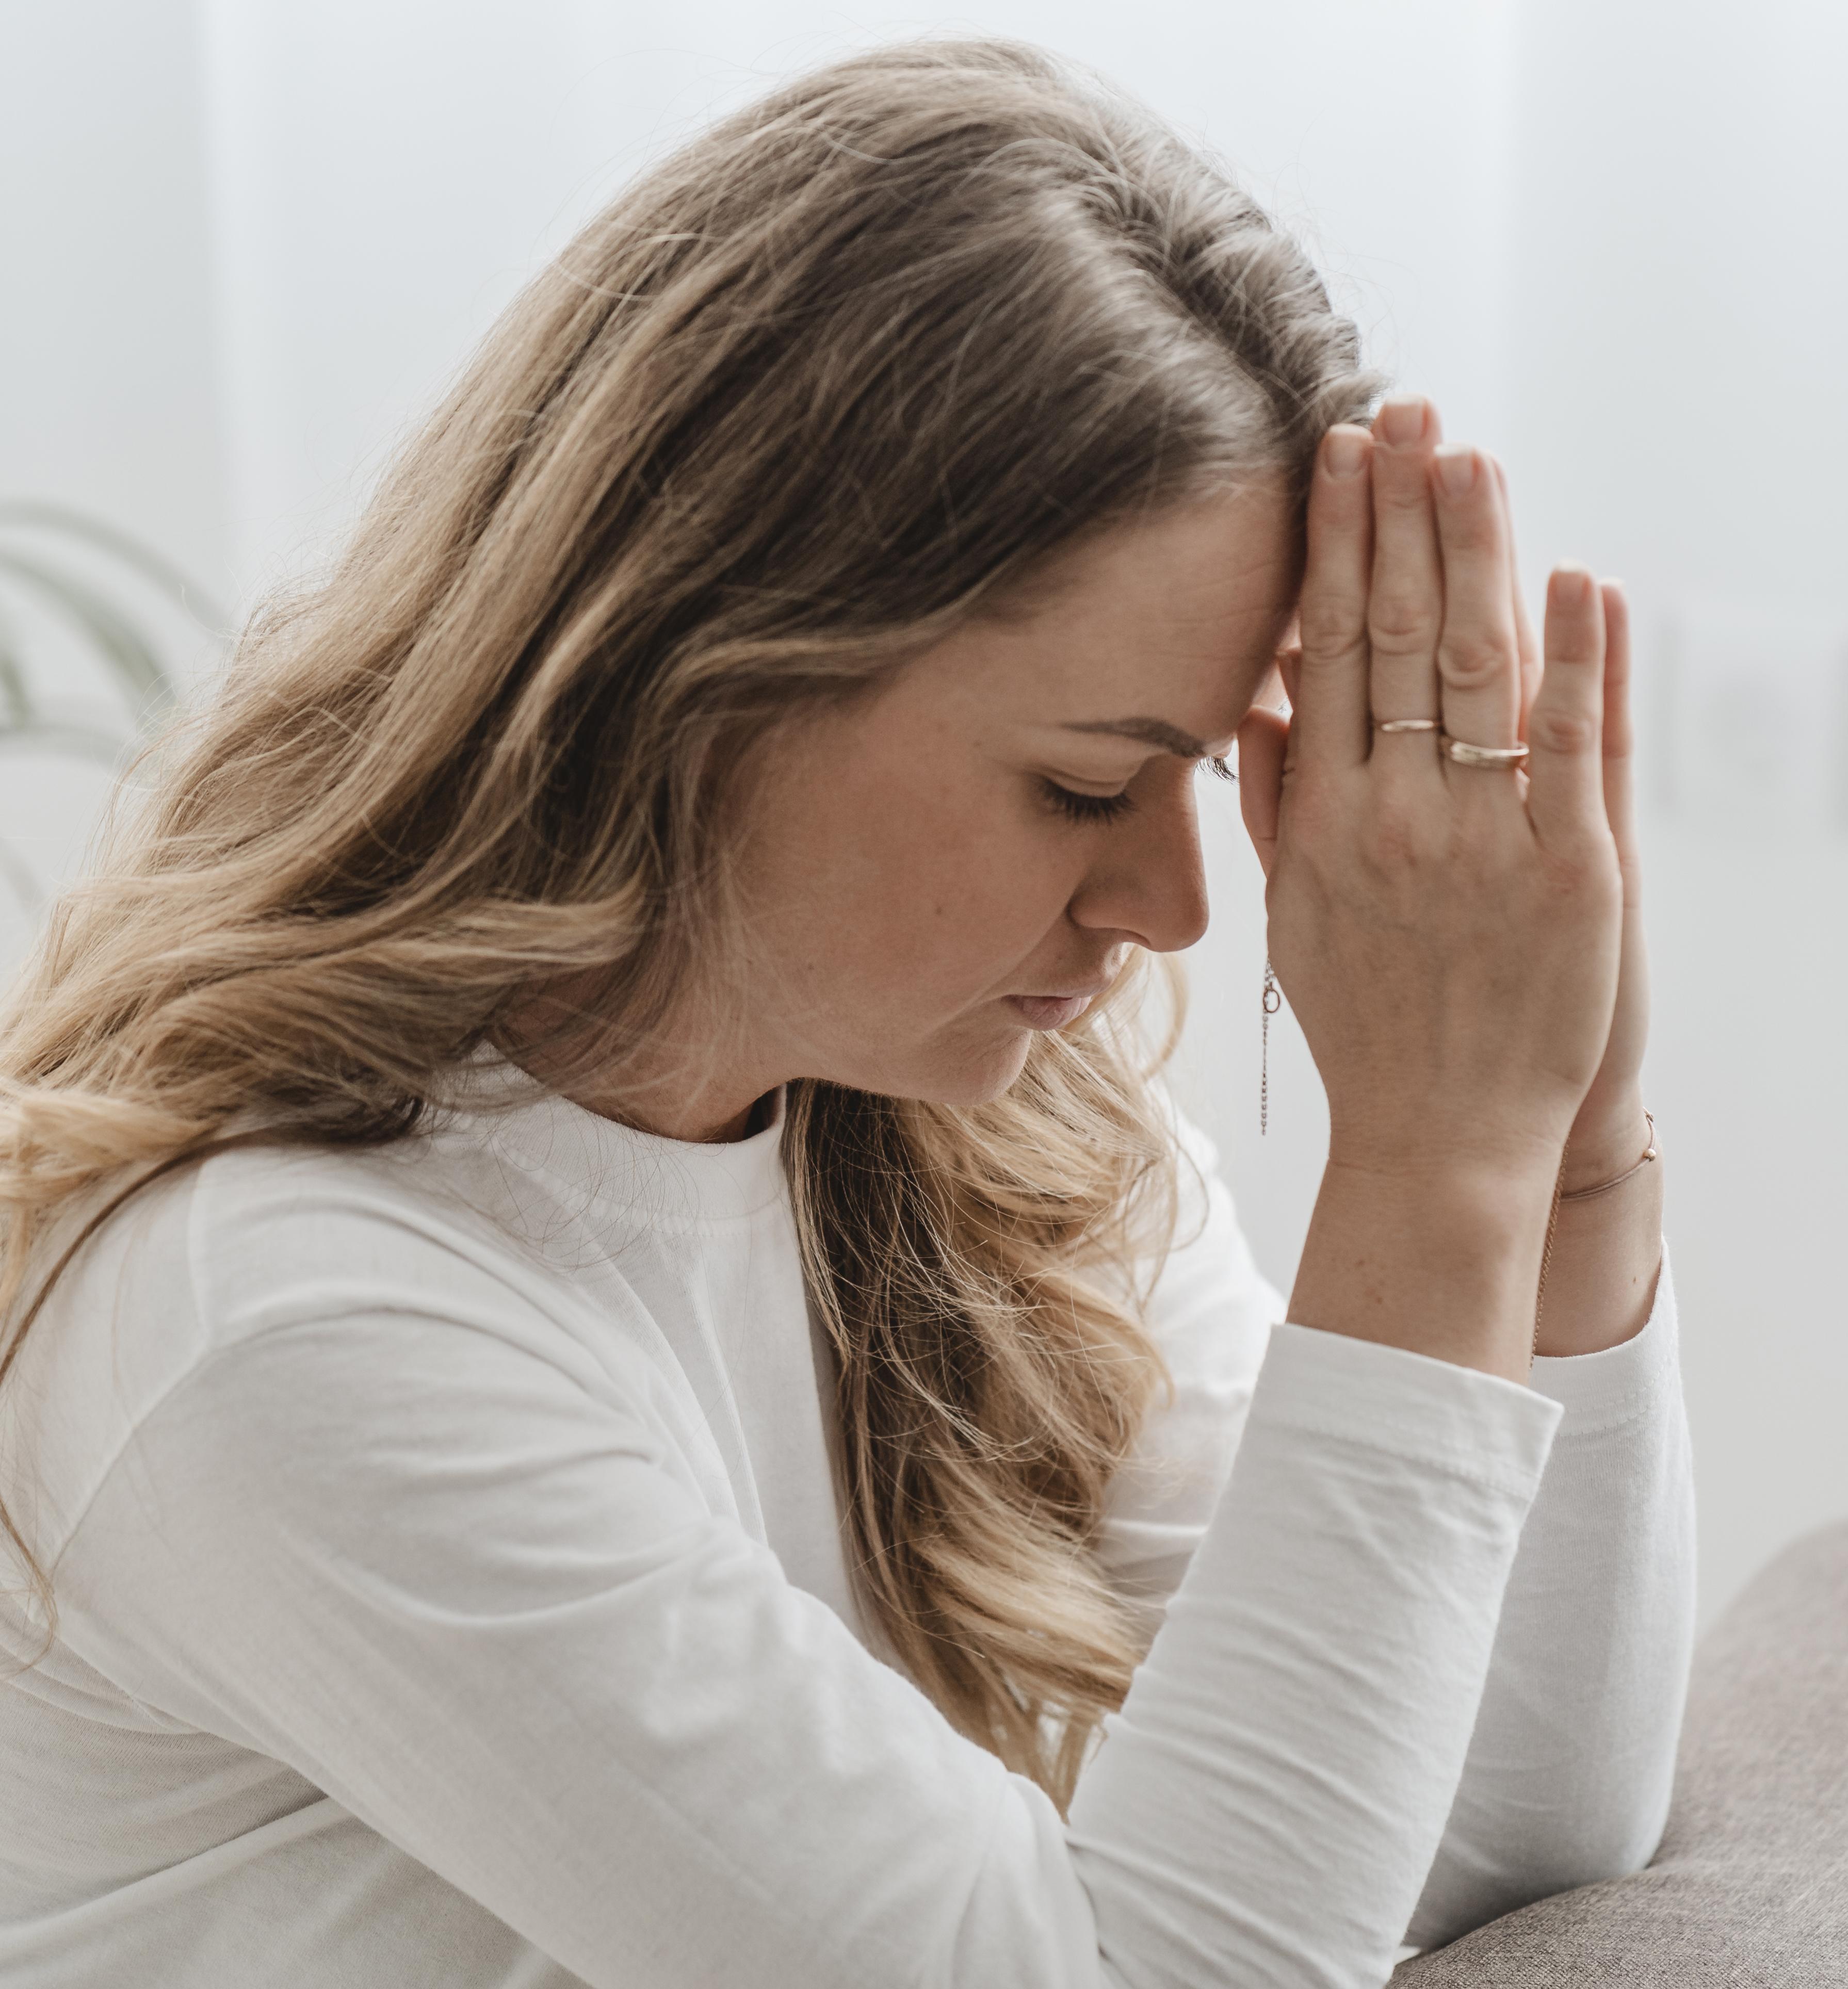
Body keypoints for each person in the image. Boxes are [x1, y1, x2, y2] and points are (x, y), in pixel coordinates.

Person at [0, 38, 1691, 1989]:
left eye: (1207, 781)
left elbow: (1510, 1824)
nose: (1171, 907)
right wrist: (1438, 1158)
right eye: (1081, 786)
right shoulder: (281, 1324)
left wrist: (1572, 1146)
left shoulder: (971, 1127)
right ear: (706, 673)